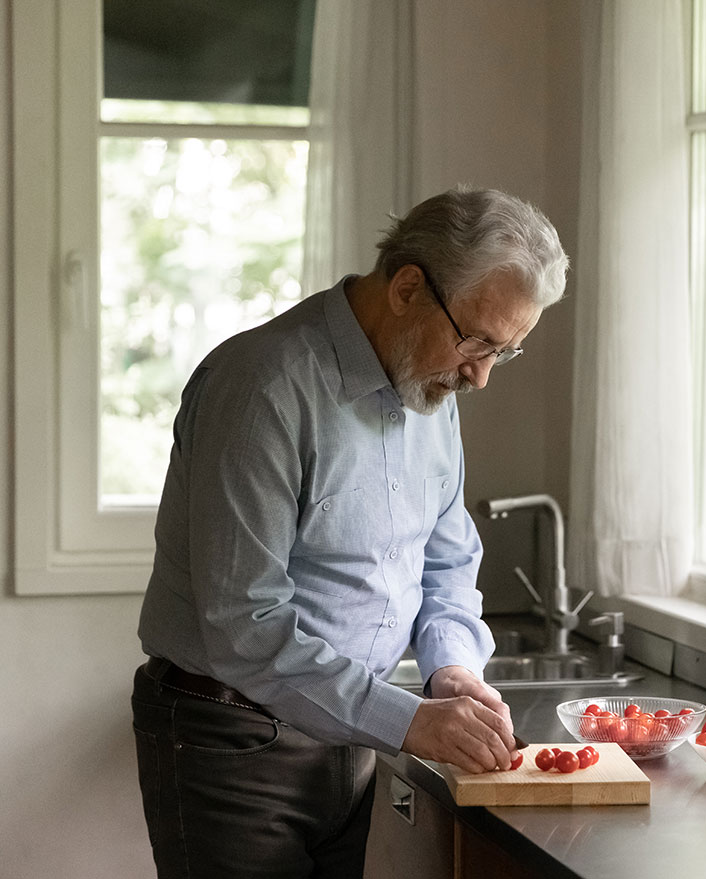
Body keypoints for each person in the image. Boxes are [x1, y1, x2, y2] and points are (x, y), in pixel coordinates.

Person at [130, 186, 569, 878]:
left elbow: (449, 562)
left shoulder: (433, 388)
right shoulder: (263, 387)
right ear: (406, 287)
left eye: (503, 353)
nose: (480, 376)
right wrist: (412, 720)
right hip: (232, 741)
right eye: (477, 340)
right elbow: (245, 624)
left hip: (352, 737)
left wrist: (450, 666)